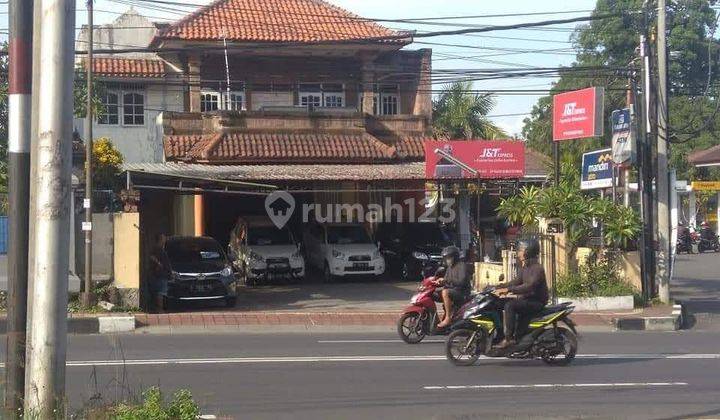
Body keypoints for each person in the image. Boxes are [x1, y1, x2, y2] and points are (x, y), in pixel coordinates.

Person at [494, 238, 548, 349]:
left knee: (510, 306)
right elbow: (516, 281)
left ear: (528, 251)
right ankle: (500, 334)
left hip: (536, 302)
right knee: (498, 303)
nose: (518, 253)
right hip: (527, 300)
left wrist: (509, 290)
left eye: (520, 250)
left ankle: (509, 339)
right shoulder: (525, 267)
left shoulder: (537, 269)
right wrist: (498, 286)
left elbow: (529, 286)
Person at [435, 246, 471, 329]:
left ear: (454, 257)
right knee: (433, 293)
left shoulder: (462, 266)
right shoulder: (449, 268)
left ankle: (448, 318)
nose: (447, 260)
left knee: (445, 292)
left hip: (462, 293)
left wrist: (446, 280)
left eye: (449, 258)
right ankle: (434, 319)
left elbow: (461, 282)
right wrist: (437, 282)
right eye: (446, 258)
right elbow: (446, 281)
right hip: (453, 291)